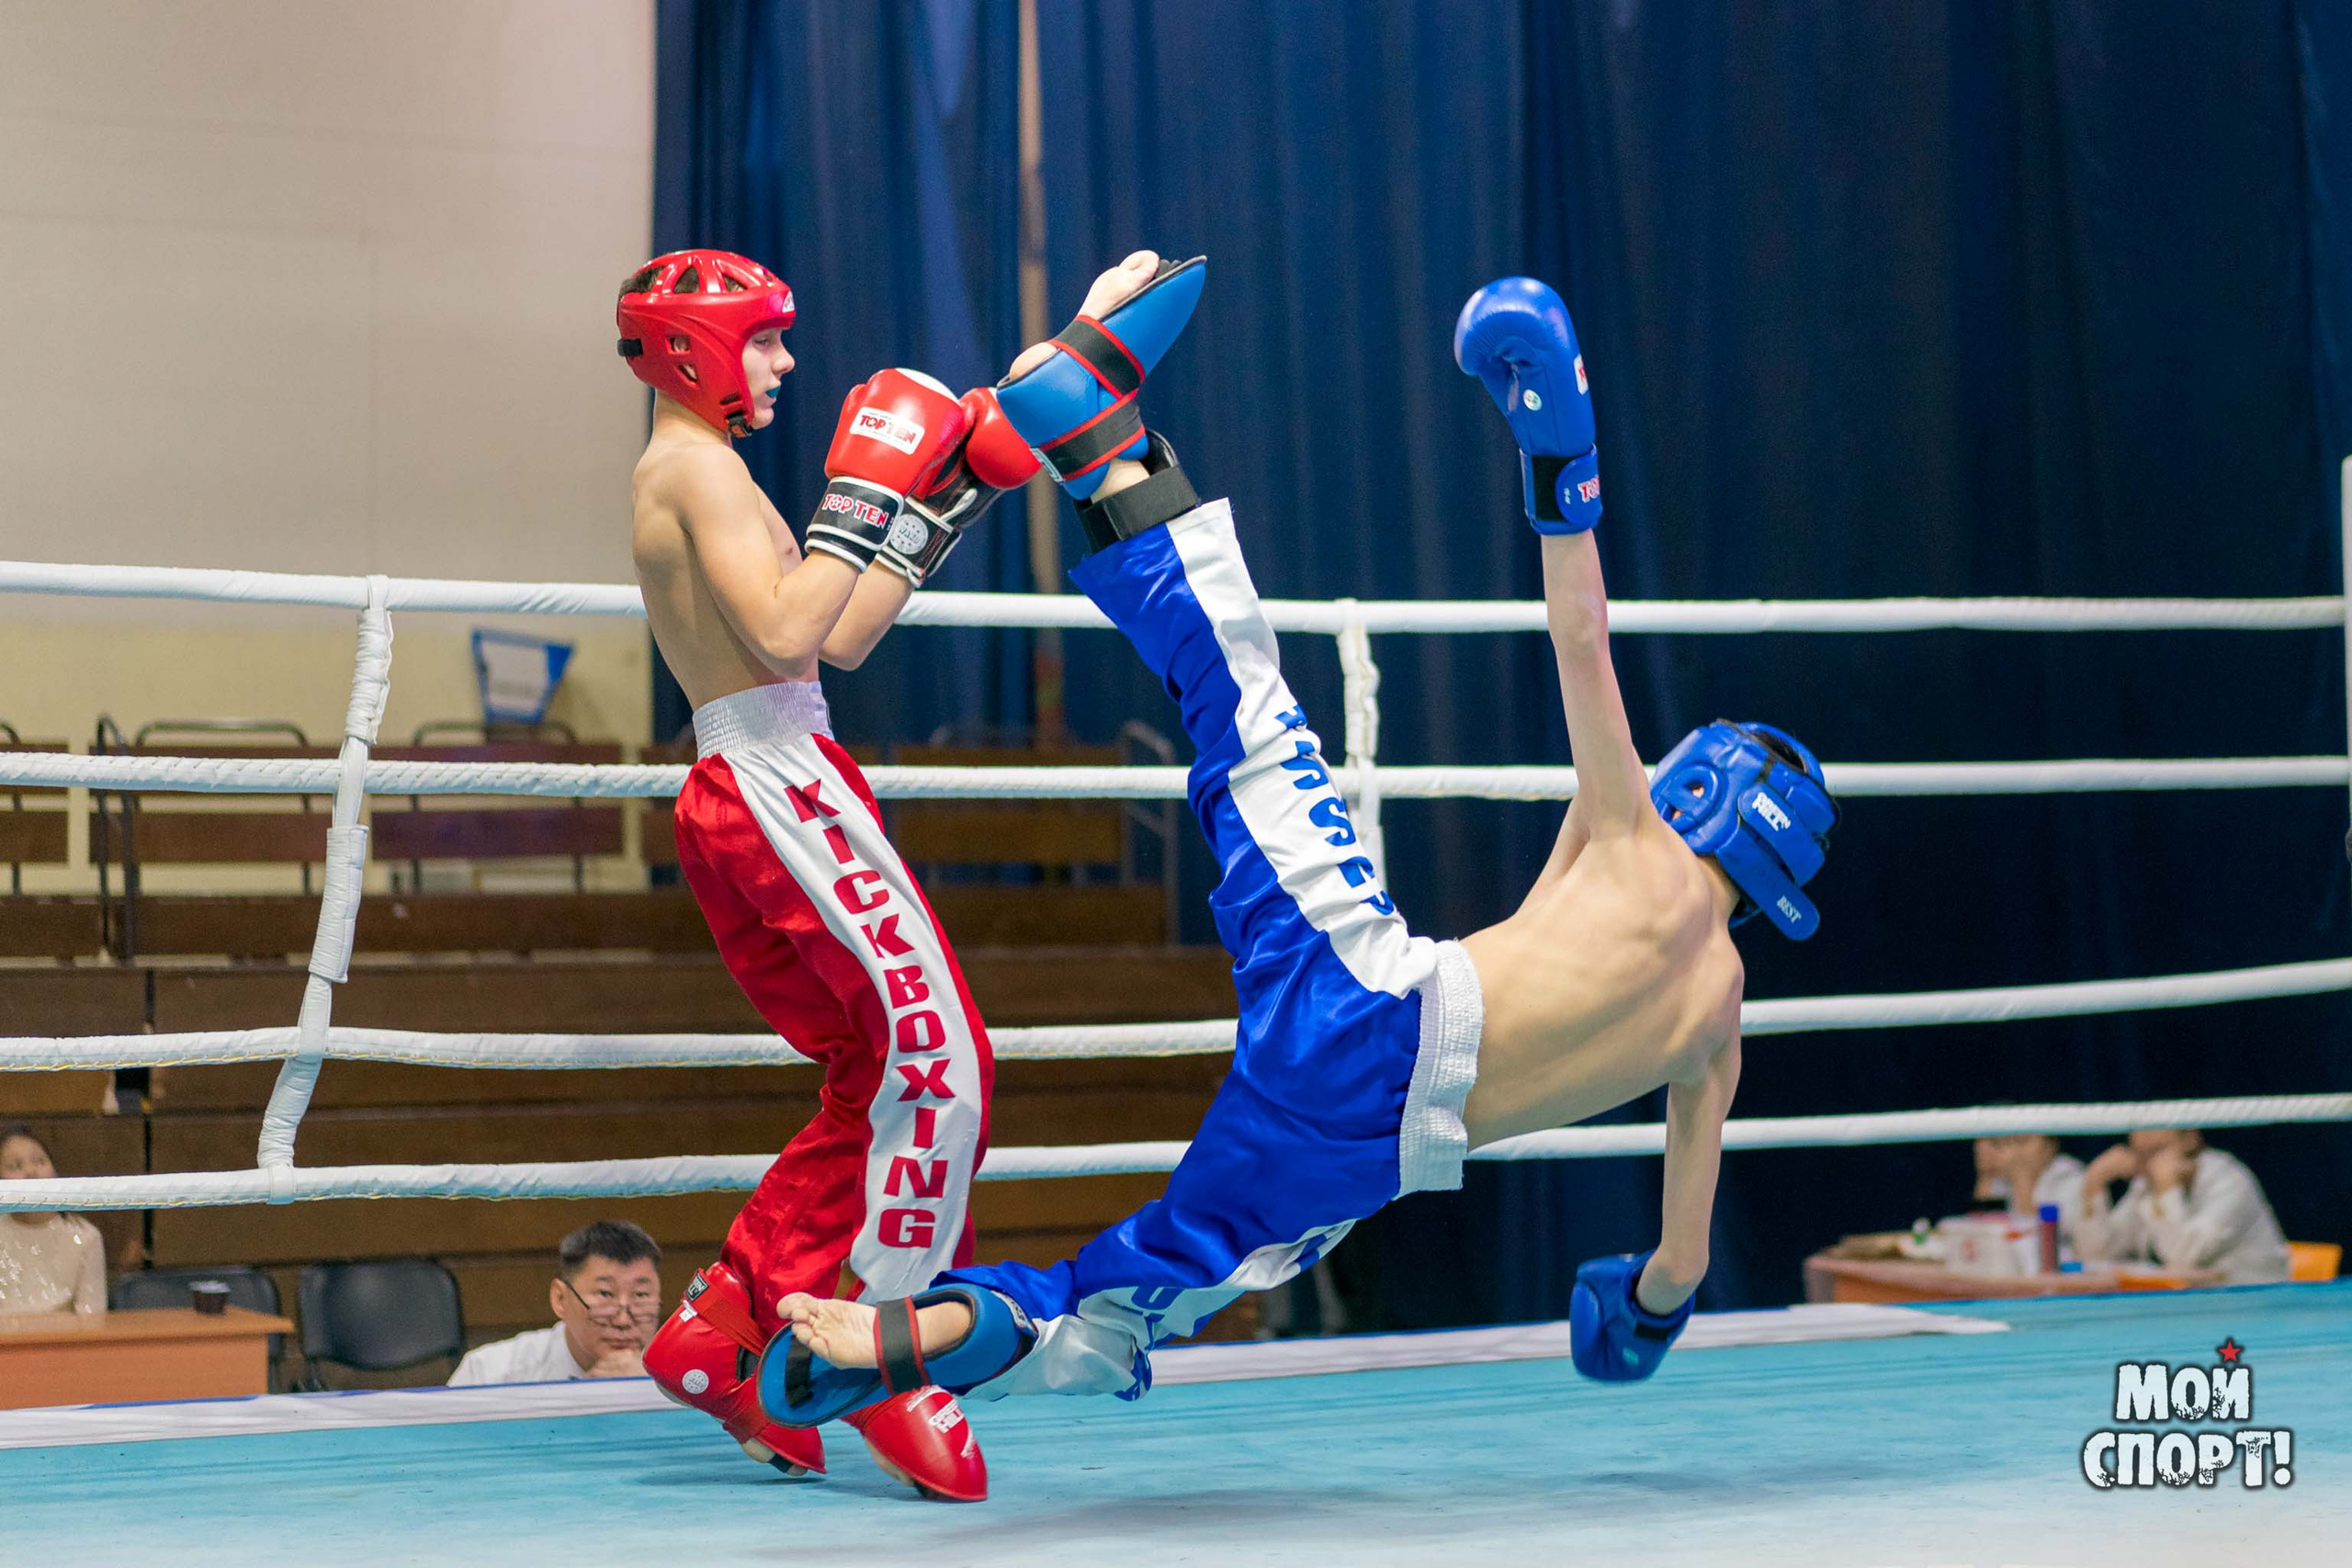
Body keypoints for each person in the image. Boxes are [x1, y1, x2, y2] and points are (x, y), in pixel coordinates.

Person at [752, 252, 1839, 1420]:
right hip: (1372, 1155)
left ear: (1693, 797)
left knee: (1249, 716)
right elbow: (1678, 1266)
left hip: (1370, 995)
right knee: (1116, 1304)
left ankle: (1103, 448)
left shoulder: (1634, 844)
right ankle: (893, 1341)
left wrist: (1557, 451)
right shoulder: (1714, 1032)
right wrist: (1642, 1309)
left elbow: (1581, 638)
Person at [616, 250, 1029, 1501]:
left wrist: (939, 499)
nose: (785, 362)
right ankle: (892, 1348)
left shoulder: (698, 473)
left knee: (873, 1067)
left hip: (759, 777)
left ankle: (732, 1313)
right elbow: (795, 629)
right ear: (696, 347)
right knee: (943, 1057)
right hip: (778, 781)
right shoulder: (693, 469)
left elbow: (832, 631)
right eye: (764, 340)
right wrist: (863, 484)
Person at [448, 1221, 663, 1385]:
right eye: (605, 1294)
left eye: (641, 1296)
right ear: (560, 1299)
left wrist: (650, 1389)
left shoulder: (684, 1379)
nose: (623, 1320)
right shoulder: (490, 1374)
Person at [2071, 1128, 2290, 1284]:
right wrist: (2092, 1186)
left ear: (2191, 1139)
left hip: (2255, 1304)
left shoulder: (2228, 1179)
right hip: (2198, 1309)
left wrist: (2167, 1190)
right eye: (2140, 1154)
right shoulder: (2146, 1185)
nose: (2148, 1164)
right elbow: (2097, 1255)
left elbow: (2184, 1256)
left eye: (2157, 1151)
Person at [0, 1125, 106, 1318]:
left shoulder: (85, 1236)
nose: (31, 1171)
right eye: (16, 1166)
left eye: (40, 1161)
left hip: (64, 1344)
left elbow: (93, 1320)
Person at [1973, 1133, 2086, 1252]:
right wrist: (1986, 1174)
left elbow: (2050, 1241)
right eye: (2009, 1143)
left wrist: (2021, 1177)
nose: (2015, 1152)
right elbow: (1981, 1229)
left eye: (2022, 1142)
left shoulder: (2069, 1175)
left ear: (2050, 1145)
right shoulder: (2004, 1177)